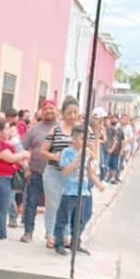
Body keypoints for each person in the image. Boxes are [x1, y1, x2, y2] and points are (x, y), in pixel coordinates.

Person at [53, 126, 106, 256]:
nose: (85, 141)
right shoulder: (67, 152)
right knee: (63, 219)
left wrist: (98, 184)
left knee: (81, 218)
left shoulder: (87, 153)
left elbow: (90, 171)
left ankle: (75, 242)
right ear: (74, 139)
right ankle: (59, 243)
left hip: (84, 191)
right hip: (69, 191)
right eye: (82, 138)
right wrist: (78, 158)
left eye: (86, 138)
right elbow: (65, 171)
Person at [38, 97, 80, 249]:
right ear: (63, 113)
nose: (72, 116)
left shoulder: (81, 130)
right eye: (69, 113)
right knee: (52, 204)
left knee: (68, 206)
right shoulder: (56, 129)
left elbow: (90, 149)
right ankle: (50, 234)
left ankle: (66, 235)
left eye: (75, 112)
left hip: (72, 176)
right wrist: (54, 156)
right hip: (54, 173)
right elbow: (42, 150)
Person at [19, 100, 58, 243]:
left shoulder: (63, 128)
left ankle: (51, 234)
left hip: (56, 175)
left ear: (56, 110)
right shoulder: (34, 130)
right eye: (46, 109)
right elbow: (21, 149)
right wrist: (26, 167)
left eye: (51, 109)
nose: (48, 111)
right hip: (36, 173)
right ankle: (28, 232)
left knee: (54, 205)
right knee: (31, 204)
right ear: (42, 111)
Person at [0, 119, 27, 238]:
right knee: (3, 205)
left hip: (6, 177)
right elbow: (10, 158)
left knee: (2, 205)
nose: (8, 132)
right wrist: (24, 154)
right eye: (6, 129)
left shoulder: (6, 144)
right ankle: (0, 232)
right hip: (1, 177)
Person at [104, 117, 122, 184]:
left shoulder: (114, 130)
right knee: (105, 165)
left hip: (113, 151)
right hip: (105, 150)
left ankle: (109, 179)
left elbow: (116, 141)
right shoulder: (104, 129)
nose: (106, 122)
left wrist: (112, 149)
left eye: (107, 121)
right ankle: (106, 178)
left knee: (112, 166)